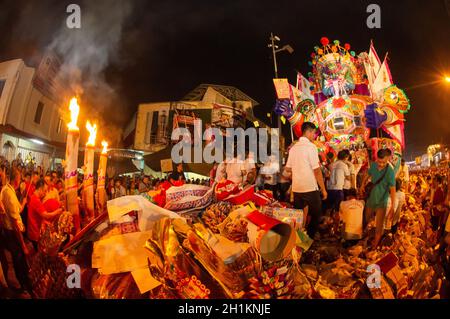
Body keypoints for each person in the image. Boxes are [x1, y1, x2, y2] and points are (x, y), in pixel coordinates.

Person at [285, 122, 327, 238]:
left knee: (300, 215)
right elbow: (317, 171)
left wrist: (297, 172)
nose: (314, 136)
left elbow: (288, 169)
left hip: (297, 188)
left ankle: (299, 238)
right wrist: (323, 189)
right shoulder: (311, 147)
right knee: (317, 214)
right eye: (313, 133)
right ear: (308, 132)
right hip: (309, 187)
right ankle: (309, 237)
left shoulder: (293, 148)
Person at [0, 167, 33, 295]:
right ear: (16, 179)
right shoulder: (8, 193)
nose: (21, 181)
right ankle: (22, 287)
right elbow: (14, 222)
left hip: (12, 232)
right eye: (20, 178)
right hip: (13, 233)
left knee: (20, 260)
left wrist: (23, 202)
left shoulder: (8, 190)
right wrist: (23, 245)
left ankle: (24, 283)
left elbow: (17, 210)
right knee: (18, 260)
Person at [361, 149, 396, 248]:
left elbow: (393, 189)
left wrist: (392, 207)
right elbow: (368, 174)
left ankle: (374, 247)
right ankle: (360, 240)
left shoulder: (390, 171)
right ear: (377, 159)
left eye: (383, 162)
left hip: (382, 202)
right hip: (371, 200)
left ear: (388, 159)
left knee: (379, 227)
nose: (381, 164)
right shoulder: (373, 165)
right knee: (365, 221)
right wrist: (362, 184)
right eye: (379, 162)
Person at [27, 179, 63, 248]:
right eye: (44, 191)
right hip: (34, 231)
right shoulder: (36, 201)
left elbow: (39, 214)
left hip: (33, 229)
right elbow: (46, 215)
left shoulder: (34, 196)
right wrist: (57, 211)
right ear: (40, 189)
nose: (45, 193)